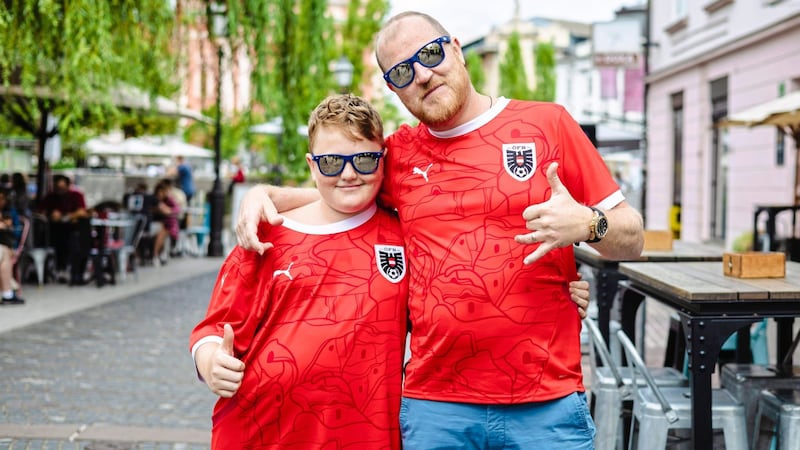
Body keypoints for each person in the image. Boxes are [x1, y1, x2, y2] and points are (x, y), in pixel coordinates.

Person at [235, 12, 643, 449]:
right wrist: (265, 194)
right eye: (402, 72)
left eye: (430, 54)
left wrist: (587, 223)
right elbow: (343, 184)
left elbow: (632, 238)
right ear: (394, 89)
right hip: (437, 408)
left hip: (545, 402)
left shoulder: (548, 125)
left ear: (456, 47)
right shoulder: (400, 154)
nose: (423, 75)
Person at [189, 94, 409, 448]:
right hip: (264, 431)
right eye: (332, 162)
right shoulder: (267, 236)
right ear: (312, 165)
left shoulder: (403, 238)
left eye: (364, 160)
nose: (349, 173)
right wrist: (211, 360)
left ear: (382, 161)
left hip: (362, 435)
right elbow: (215, 325)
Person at [37, 174, 90, 285]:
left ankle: (75, 272)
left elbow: (82, 212)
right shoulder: (51, 197)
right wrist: (51, 214)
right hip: (54, 232)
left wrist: (67, 216)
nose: (59, 190)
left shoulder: (76, 195)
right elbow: (40, 212)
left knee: (77, 242)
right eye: (57, 187)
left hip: (75, 232)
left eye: (62, 187)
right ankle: (61, 268)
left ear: (68, 185)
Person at [0, 190, 24, 304]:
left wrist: (8, 226)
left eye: (2, 198)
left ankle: (7, 293)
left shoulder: (10, 212)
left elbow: (17, 233)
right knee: (4, 253)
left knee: (5, 252)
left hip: (8, 245)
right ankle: (8, 292)